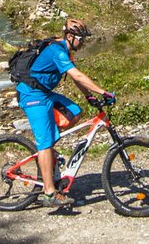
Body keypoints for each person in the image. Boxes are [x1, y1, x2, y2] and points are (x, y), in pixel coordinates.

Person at [16, 17, 114, 211]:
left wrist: (89, 97)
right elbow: (77, 75)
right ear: (70, 37)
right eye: (80, 38)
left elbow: (75, 77)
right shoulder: (56, 51)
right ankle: (50, 193)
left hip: (44, 93)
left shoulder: (66, 52)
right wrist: (103, 92)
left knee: (74, 112)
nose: (83, 42)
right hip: (32, 94)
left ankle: (49, 152)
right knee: (45, 143)